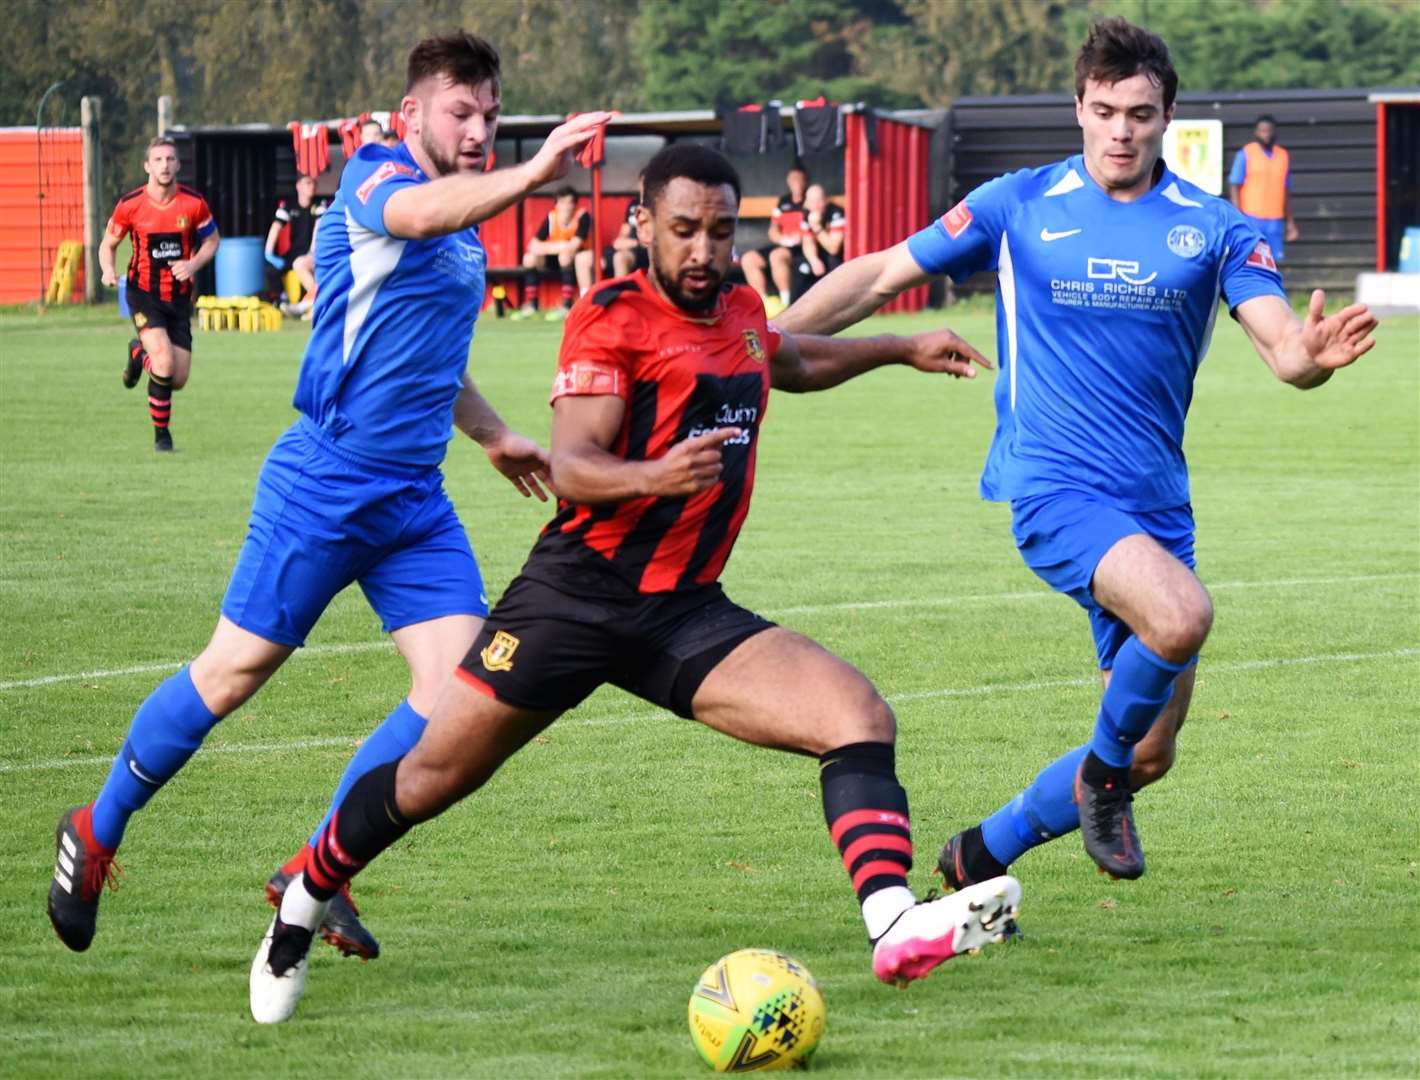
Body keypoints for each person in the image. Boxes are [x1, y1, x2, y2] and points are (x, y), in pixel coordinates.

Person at [248, 142, 1017, 1024]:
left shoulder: (737, 303)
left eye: (722, 231)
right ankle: (303, 899)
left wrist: (900, 346)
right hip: (572, 600)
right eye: (684, 230)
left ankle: (892, 926)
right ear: (644, 224)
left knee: (856, 718)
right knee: (426, 780)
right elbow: (573, 466)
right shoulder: (607, 317)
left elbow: (791, 361)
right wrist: (655, 476)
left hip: (684, 610)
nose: (703, 250)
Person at [47, 30, 614, 961]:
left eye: (492, 117)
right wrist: (539, 169)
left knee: (460, 692)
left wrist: (493, 433)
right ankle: (97, 828)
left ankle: (318, 869)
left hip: (412, 498)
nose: (479, 131)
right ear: (412, 115)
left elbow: (429, 351)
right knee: (230, 676)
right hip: (326, 479)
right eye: (460, 113)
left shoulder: (458, 216)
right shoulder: (375, 180)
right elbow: (421, 215)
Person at [775, 18, 1377, 890]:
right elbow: (874, 276)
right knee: (1179, 617)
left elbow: (1282, 347)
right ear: (1079, 109)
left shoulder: (1215, 228)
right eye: (1105, 111)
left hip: (1156, 505)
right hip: (1053, 486)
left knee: (1153, 749)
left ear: (1168, 115)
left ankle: (980, 852)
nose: (1121, 130)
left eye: (1140, 112)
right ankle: (1099, 781)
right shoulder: (1017, 204)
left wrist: (1310, 359)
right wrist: (753, 339)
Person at [99, 136, 221, 453]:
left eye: (170, 159)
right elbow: (107, 244)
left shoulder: (193, 204)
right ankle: (162, 437)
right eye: (158, 160)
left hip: (179, 299)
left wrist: (193, 264)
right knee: (164, 364)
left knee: (177, 378)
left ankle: (138, 354)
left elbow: (212, 241)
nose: (164, 166)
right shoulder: (131, 204)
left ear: (178, 165)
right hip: (143, 294)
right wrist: (107, 269)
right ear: (147, 166)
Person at [511, 185, 594, 320]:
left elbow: (574, 246)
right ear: (556, 205)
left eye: (570, 202)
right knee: (529, 259)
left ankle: (567, 305)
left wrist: (548, 247)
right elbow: (533, 245)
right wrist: (561, 246)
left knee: (565, 257)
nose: (566, 207)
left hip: (577, 259)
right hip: (554, 257)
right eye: (562, 202)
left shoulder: (582, 216)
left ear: (575, 204)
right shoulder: (551, 217)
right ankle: (532, 305)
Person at [739, 162, 808, 317]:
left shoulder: (809, 201)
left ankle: (785, 304)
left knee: (776, 256)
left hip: (800, 247)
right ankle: (763, 304)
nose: (795, 182)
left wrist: (799, 238)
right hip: (782, 243)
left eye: (799, 179)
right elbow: (773, 230)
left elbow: (813, 228)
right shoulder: (783, 202)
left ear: (805, 181)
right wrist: (782, 238)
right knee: (749, 259)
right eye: (792, 179)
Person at [1229, 114, 1299, 264]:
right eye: (1262, 131)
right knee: (1250, 260)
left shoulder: (1283, 155)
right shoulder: (1245, 154)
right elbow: (1235, 185)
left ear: (1274, 132)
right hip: (1251, 217)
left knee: (1274, 262)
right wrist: (1237, 216)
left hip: (1275, 219)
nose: (1266, 134)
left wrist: (1290, 222)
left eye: (1269, 131)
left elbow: (1286, 191)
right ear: (1256, 132)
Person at [263, 173, 325, 318]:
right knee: (271, 270)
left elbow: (319, 227)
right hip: (295, 253)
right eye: (308, 183)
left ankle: (317, 304)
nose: (312, 187)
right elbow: (275, 228)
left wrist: (313, 252)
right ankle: (282, 302)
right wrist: (269, 253)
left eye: (314, 183)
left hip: (313, 254)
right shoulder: (289, 205)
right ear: (298, 186)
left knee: (300, 265)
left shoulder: (319, 205)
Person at [792, 183, 846, 300]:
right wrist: (814, 260)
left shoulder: (836, 213)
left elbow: (833, 248)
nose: (815, 206)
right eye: (811, 201)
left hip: (838, 255)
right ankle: (793, 306)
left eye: (819, 201)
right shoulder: (806, 213)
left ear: (826, 200)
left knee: (834, 263)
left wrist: (816, 227)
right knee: (801, 265)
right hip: (819, 252)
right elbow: (807, 243)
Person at [602, 193, 648, 278]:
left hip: (644, 248)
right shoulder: (634, 203)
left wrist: (635, 243)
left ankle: (619, 290)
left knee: (620, 257)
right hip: (629, 246)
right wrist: (622, 242)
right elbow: (623, 233)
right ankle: (589, 291)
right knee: (598, 260)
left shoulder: (653, 201)